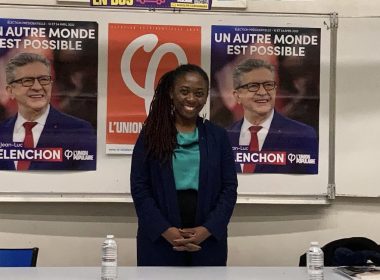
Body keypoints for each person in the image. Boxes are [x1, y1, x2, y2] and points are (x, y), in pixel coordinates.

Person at [130, 64, 238, 266]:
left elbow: (229, 189)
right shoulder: (151, 135)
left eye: (199, 93)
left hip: (207, 240)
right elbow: (140, 188)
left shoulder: (218, 136)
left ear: (206, 96)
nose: (191, 99)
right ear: (171, 93)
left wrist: (207, 230)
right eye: (184, 91)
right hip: (159, 240)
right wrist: (166, 231)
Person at [0, 52, 96, 170]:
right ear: (10, 91)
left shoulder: (79, 131)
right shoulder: (2, 131)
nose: (37, 87)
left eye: (44, 79)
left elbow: (88, 182)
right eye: (27, 80)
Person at [228, 58, 318, 174]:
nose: (262, 92)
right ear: (237, 96)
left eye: (268, 85)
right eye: (253, 86)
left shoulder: (302, 135)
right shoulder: (224, 138)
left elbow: (311, 186)